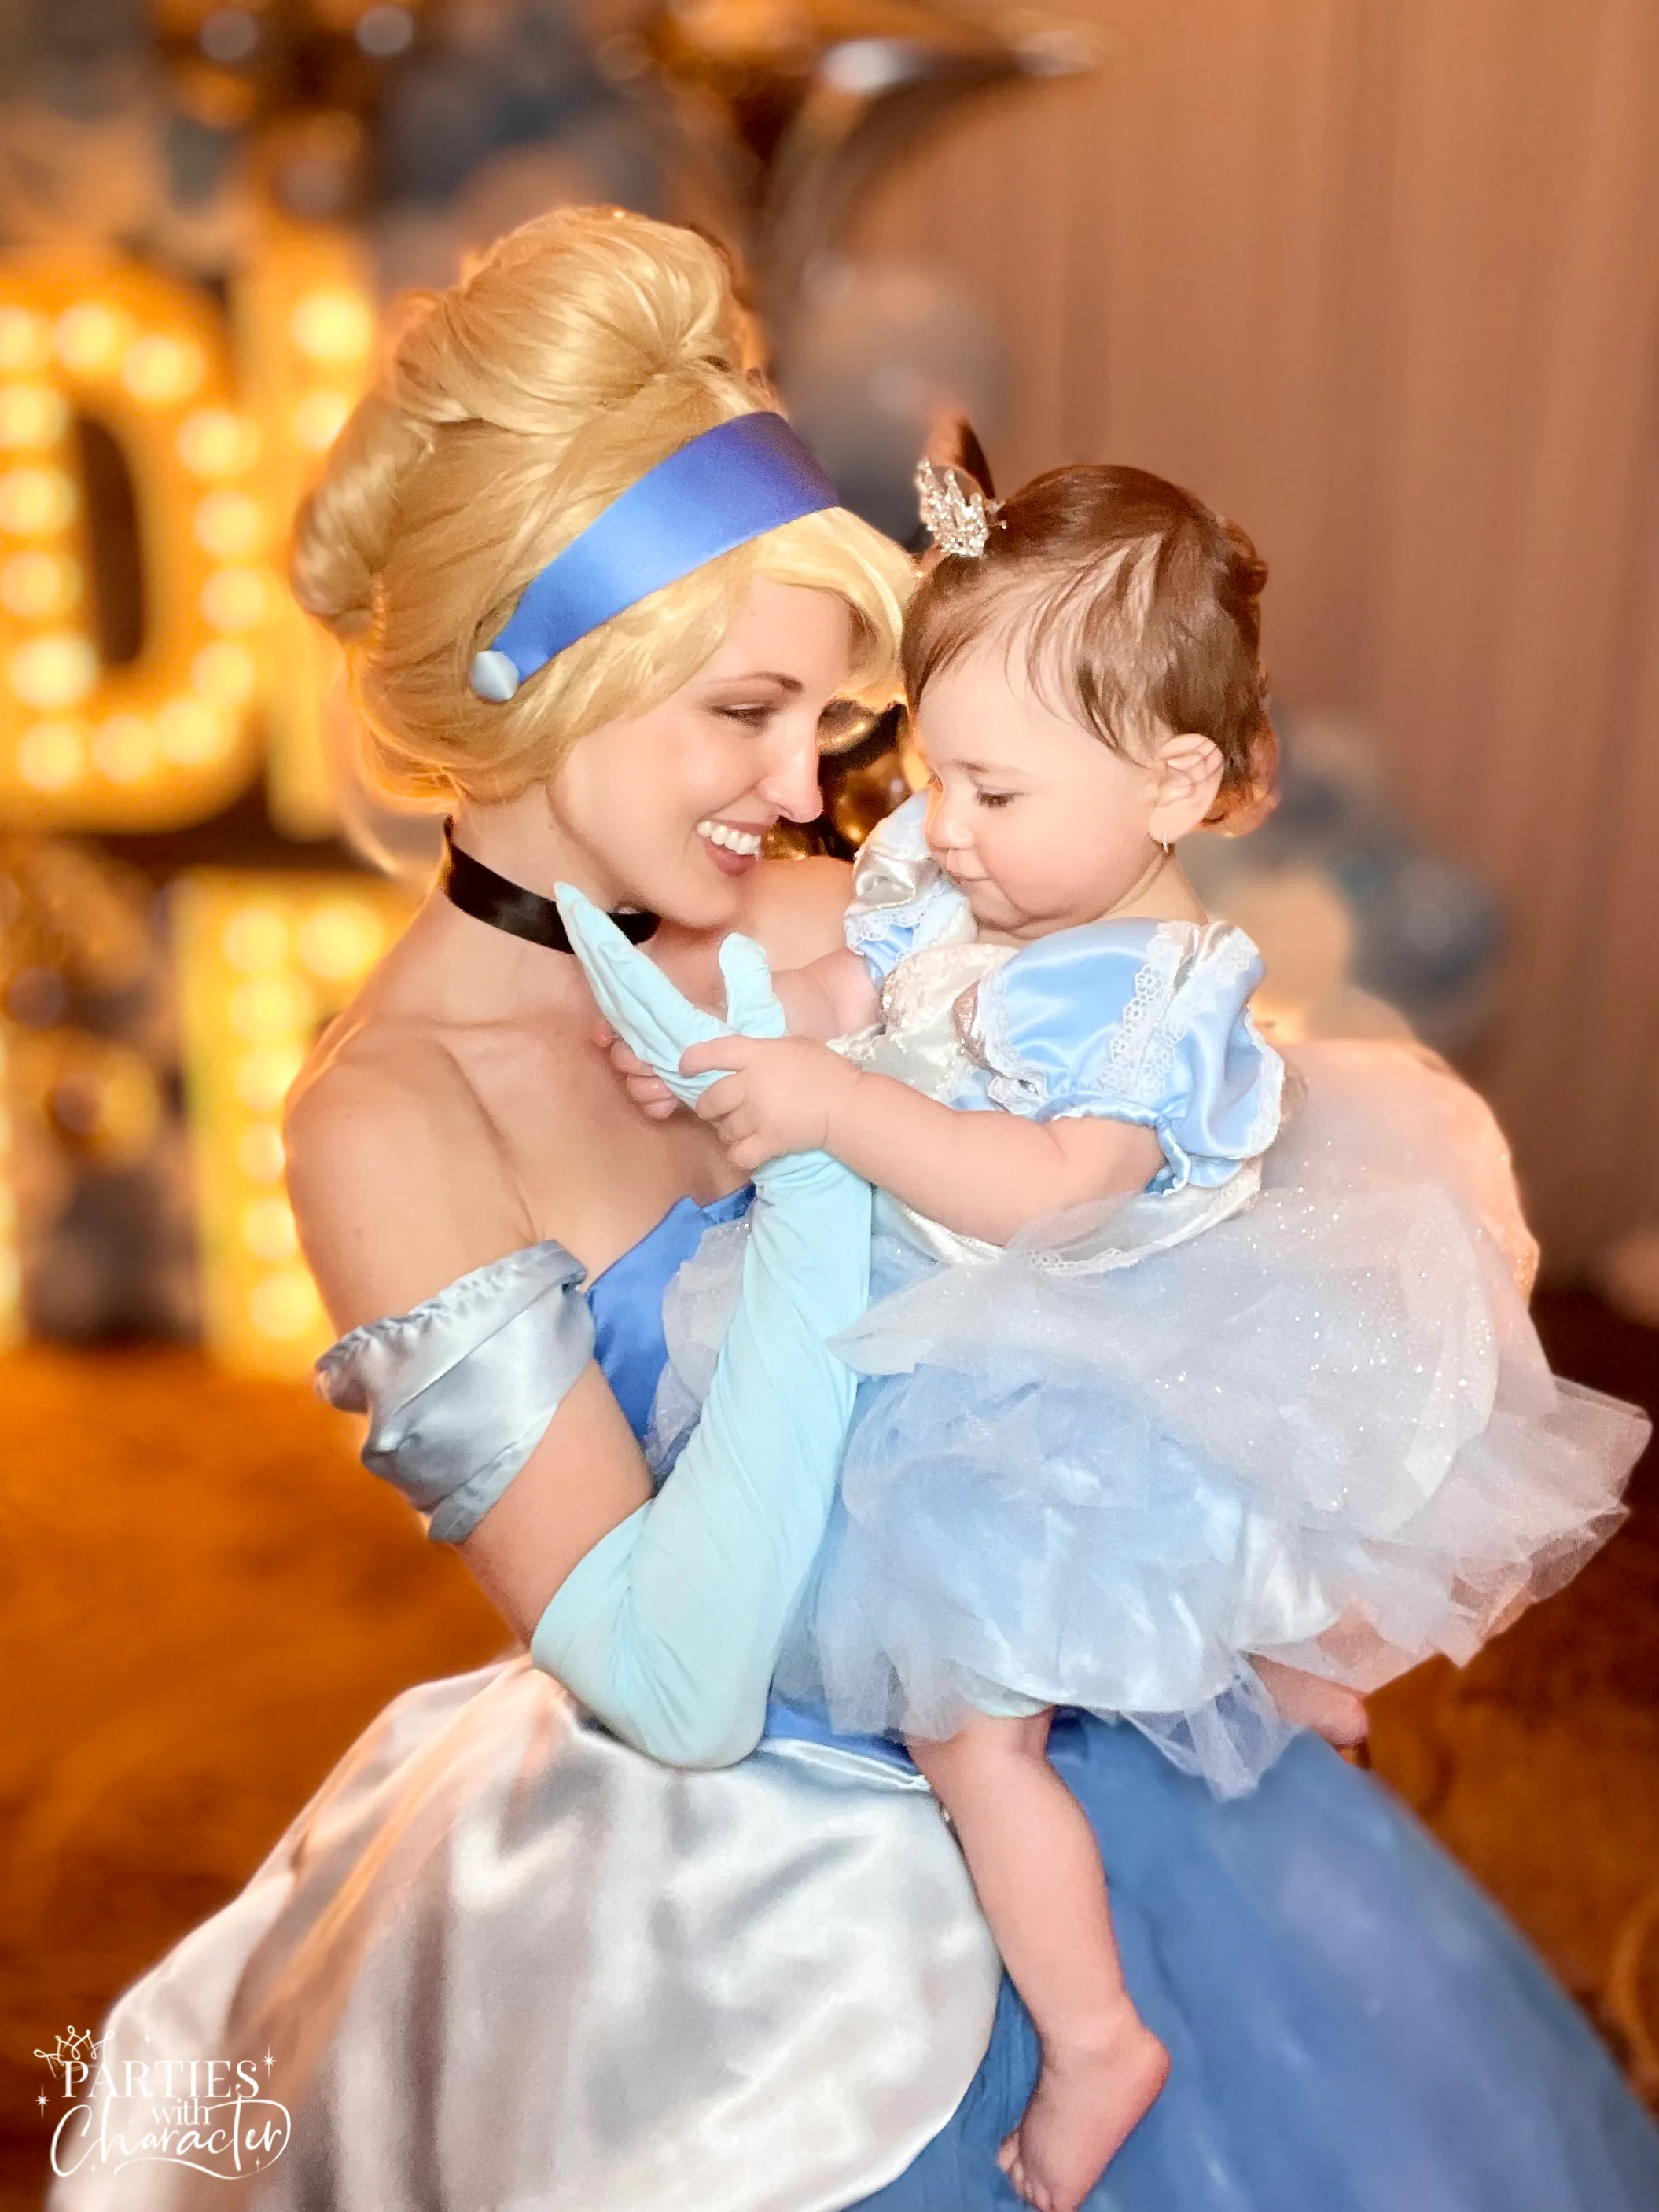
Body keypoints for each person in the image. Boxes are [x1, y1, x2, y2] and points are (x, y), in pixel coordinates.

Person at [50, 208, 1659, 2212]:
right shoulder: (391, 1121)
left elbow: (1178, 1134)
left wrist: (1228, 1582)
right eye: (744, 715)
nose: (809, 787)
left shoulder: (825, 915)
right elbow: (671, 1674)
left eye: (827, 717)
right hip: (745, 1917)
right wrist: (823, 1185)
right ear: (535, 676)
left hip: (1070, 1714)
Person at [603, 459, 1647, 2212]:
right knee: (1112, 1593)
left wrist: (824, 1109)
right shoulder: (978, 881)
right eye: (934, 768)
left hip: (1080, 1325)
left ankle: (1091, 2036)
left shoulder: (1152, 990)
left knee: (972, 1724)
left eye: (993, 786)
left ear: (1170, 784)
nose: (940, 821)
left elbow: (1036, 1193)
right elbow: (879, 994)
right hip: (984, 1297)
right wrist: (747, 1039)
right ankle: (1266, 1671)